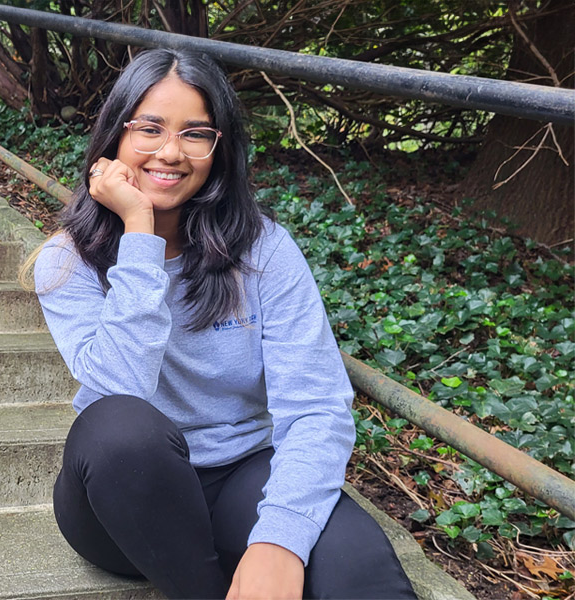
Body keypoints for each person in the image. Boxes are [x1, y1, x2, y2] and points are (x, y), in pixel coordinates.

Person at [26, 48, 417, 600]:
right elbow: (121, 388)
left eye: (195, 133)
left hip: (242, 475)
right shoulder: (70, 261)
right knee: (116, 425)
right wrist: (140, 234)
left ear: (219, 147)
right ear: (115, 137)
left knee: (355, 568)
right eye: (150, 128)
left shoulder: (265, 251)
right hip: (124, 494)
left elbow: (317, 406)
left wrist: (279, 543)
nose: (170, 152)